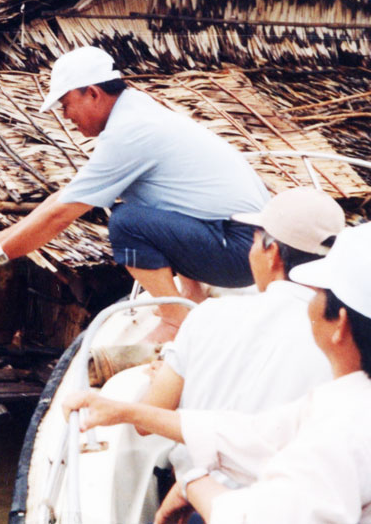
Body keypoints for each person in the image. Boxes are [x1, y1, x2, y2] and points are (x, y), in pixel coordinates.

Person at [0, 46, 269, 341]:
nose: (65, 116)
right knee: (146, 201)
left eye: (65, 105)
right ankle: (191, 294)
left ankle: (175, 320)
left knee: (126, 222)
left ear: (92, 93)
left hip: (241, 251)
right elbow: (64, 196)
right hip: (247, 242)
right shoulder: (136, 111)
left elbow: (62, 214)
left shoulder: (128, 133)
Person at [64, 222, 371, 523]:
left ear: (339, 323)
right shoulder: (349, 399)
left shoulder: (339, 435)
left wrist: (193, 484)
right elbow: (257, 435)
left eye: (318, 293)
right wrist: (125, 412)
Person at [140, 187, 342, 512]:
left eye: (253, 241)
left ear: (272, 252)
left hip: (201, 503)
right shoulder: (345, 339)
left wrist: (158, 379)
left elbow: (147, 419)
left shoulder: (208, 315)